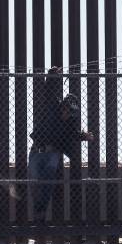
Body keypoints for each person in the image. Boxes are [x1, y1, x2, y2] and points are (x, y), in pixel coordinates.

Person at [23, 67, 94, 222]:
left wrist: (84, 136)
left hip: (52, 153)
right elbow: (48, 91)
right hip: (37, 150)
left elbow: (73, 134)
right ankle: (39, 209)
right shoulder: (52, 107)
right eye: (66, 110)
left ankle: (40, 212)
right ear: (63, 105)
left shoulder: (68, 123)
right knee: (33, 181)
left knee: (47, 182)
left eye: (70, 113)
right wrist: (52, 75)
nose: (66, 114)